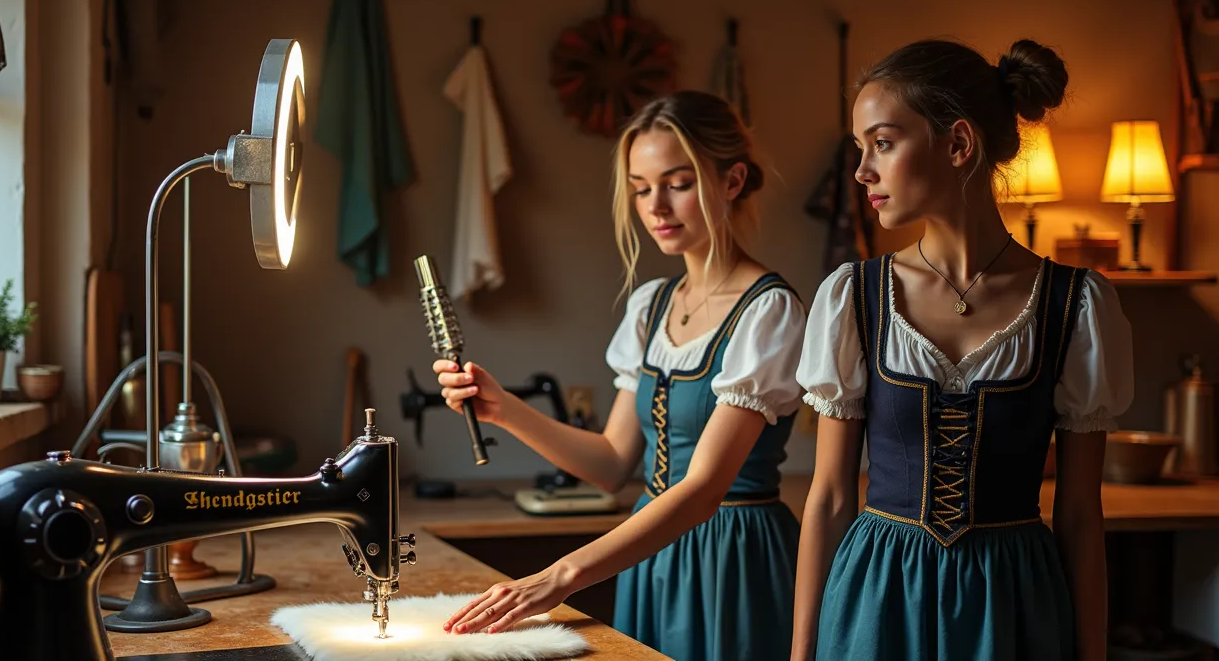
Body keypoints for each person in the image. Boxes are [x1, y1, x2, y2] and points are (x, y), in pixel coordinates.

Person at [431, 90, 807, 660]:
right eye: (640, 187)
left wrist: (557, 578)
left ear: (731, 181)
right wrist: (503, 408)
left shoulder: (768, 311)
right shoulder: (652, 306)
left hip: (734, 558)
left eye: (677, 183)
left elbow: (703, 490)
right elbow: (610, 464)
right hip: (648, 555)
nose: (655, 205)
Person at [790, 38, 1134, 661]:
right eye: (861, 149)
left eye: (883, 143)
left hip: (1012, 602)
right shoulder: (854, 297)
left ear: (957, 144)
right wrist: (802, 653)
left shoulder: (1075, 305)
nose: (862, 170)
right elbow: (832, 498)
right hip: (877, 598)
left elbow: (1081, 515)